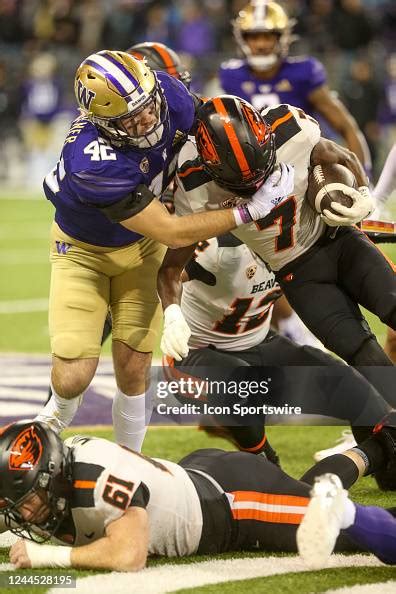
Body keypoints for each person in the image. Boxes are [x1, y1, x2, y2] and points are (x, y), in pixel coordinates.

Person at [35, 51, 293, 451]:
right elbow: (171, 231)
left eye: (146, 105)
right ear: (103, 123)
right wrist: (249, 210)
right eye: (130, 118)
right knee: (73, 377)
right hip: (83, 253)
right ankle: (44, 430)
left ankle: (132, 461)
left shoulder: (167, 94)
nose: (147, 119)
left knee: (135, 367)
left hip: (141, 250)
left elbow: (219, 130)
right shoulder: (92, 162)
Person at [164, 95, 395, 403]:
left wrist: (364, 192)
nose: (256, 184)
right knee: (362, 353)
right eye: (241, 183)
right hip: (298, 276)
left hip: (343, 244)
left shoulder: (289, 127)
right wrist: (171, 313)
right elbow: (170, 265)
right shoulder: (195, 185)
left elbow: (337, 154)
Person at [2, 420, 396, 571]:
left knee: (337, 527)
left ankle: (383, 442)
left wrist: (46, 555)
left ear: (53, 479)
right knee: (312, 493)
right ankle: (378, 447)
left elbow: (128, 555)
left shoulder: (99, 478)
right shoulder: (50, 476)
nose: (26, 513)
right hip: (199, 474)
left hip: (233, 502)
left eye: (30, 500)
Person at [158, 235, 392, 465]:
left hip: (259, 342)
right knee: (239, 384)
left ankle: (387, 471)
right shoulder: (216, 247)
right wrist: (171, 314)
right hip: (195, 356)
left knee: (356, 392)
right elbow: (167, 273)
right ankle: (262, 460)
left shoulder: (299, 234)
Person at [219, 0, 370, 168]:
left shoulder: (304, 73)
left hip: (304, 167)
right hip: (253, 169)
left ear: (283, 37)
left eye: (268, 36)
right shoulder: (231, 75)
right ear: (242, 39)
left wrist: (364, 178)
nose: (261, 45)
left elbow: (347, 127)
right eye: (254, 37)